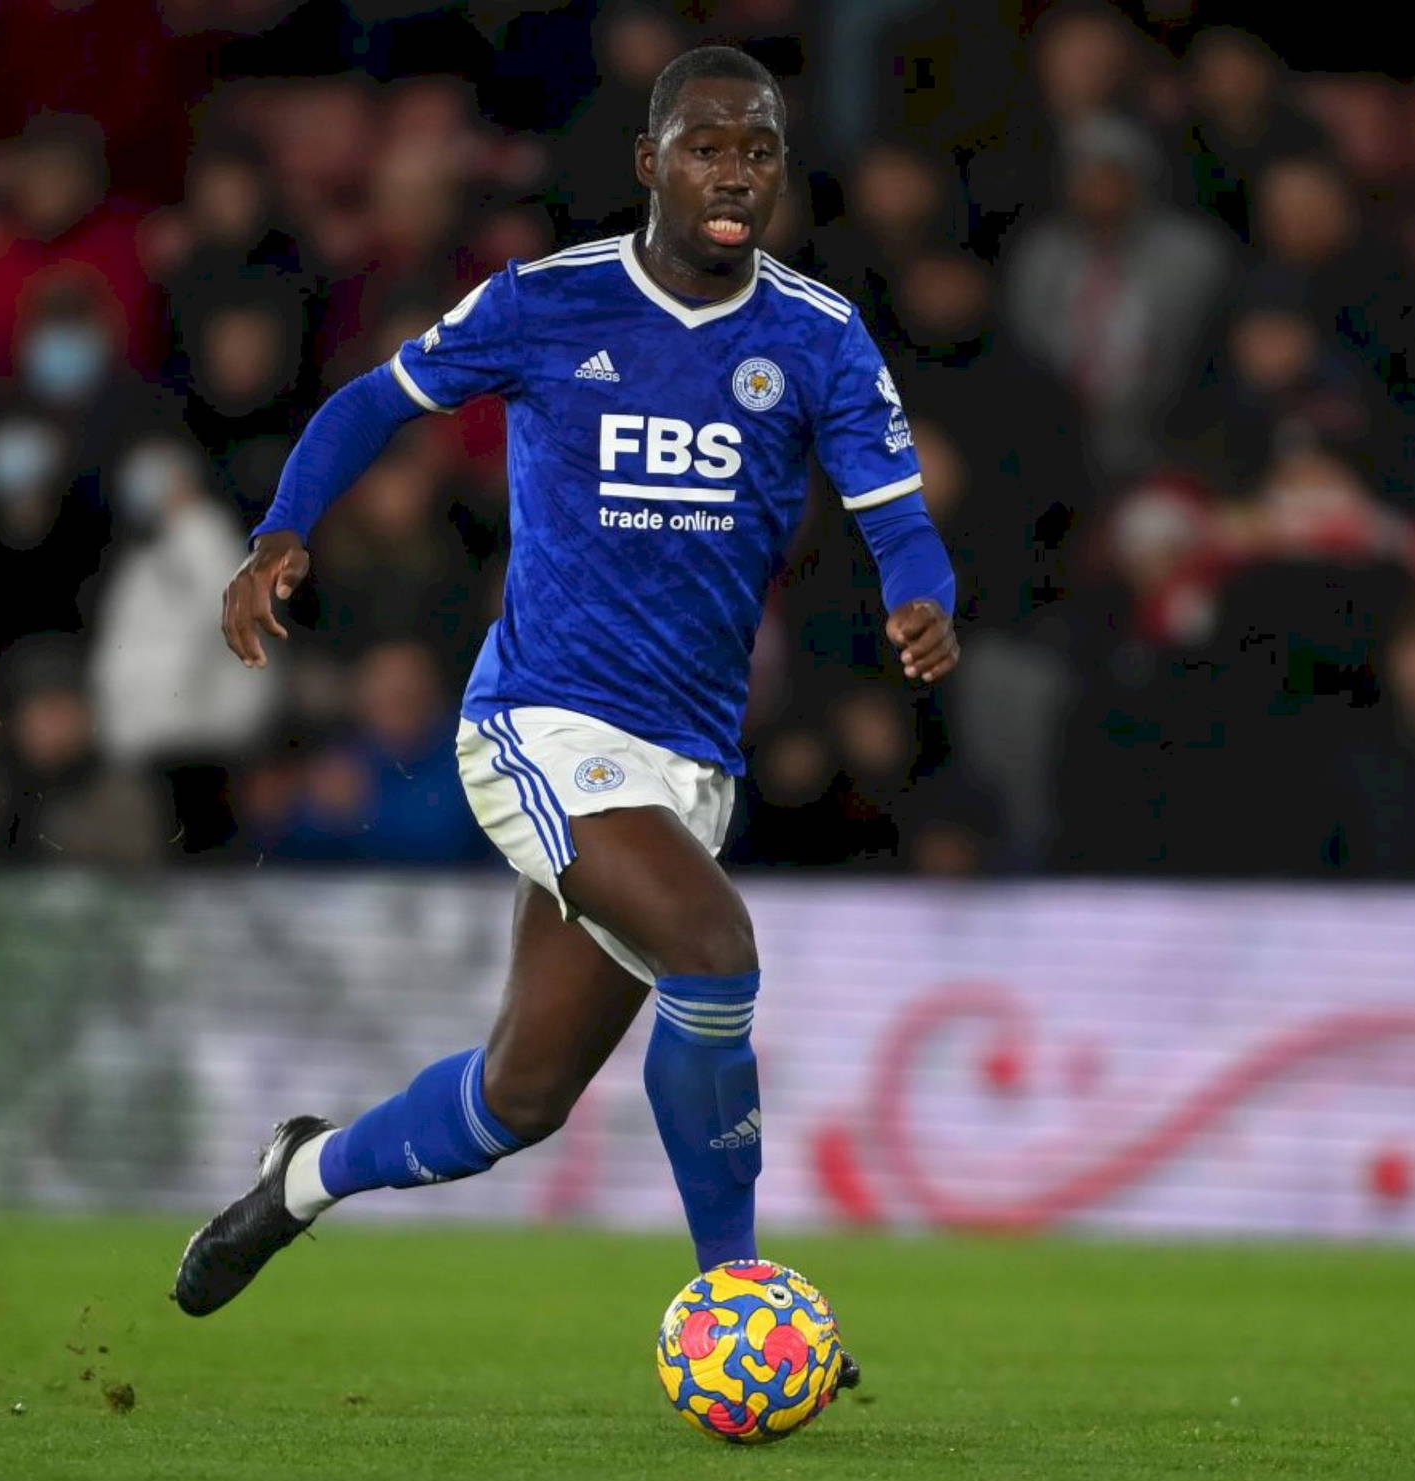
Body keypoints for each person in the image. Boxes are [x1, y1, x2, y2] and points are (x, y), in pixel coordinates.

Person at [173, 47, 960, 1389]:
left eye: (759, 153)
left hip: (686, 761)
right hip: (539, 723)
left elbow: (897, 512)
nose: (735, 174)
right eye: (707, 148)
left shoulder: (817, 332)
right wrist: (280, 532)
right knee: (714, 947)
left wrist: (921, 599)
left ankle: (299, 1175)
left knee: (513, 1102)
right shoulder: (550, 302)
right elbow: (377, 399)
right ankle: (737, 1300)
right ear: (651, 163)